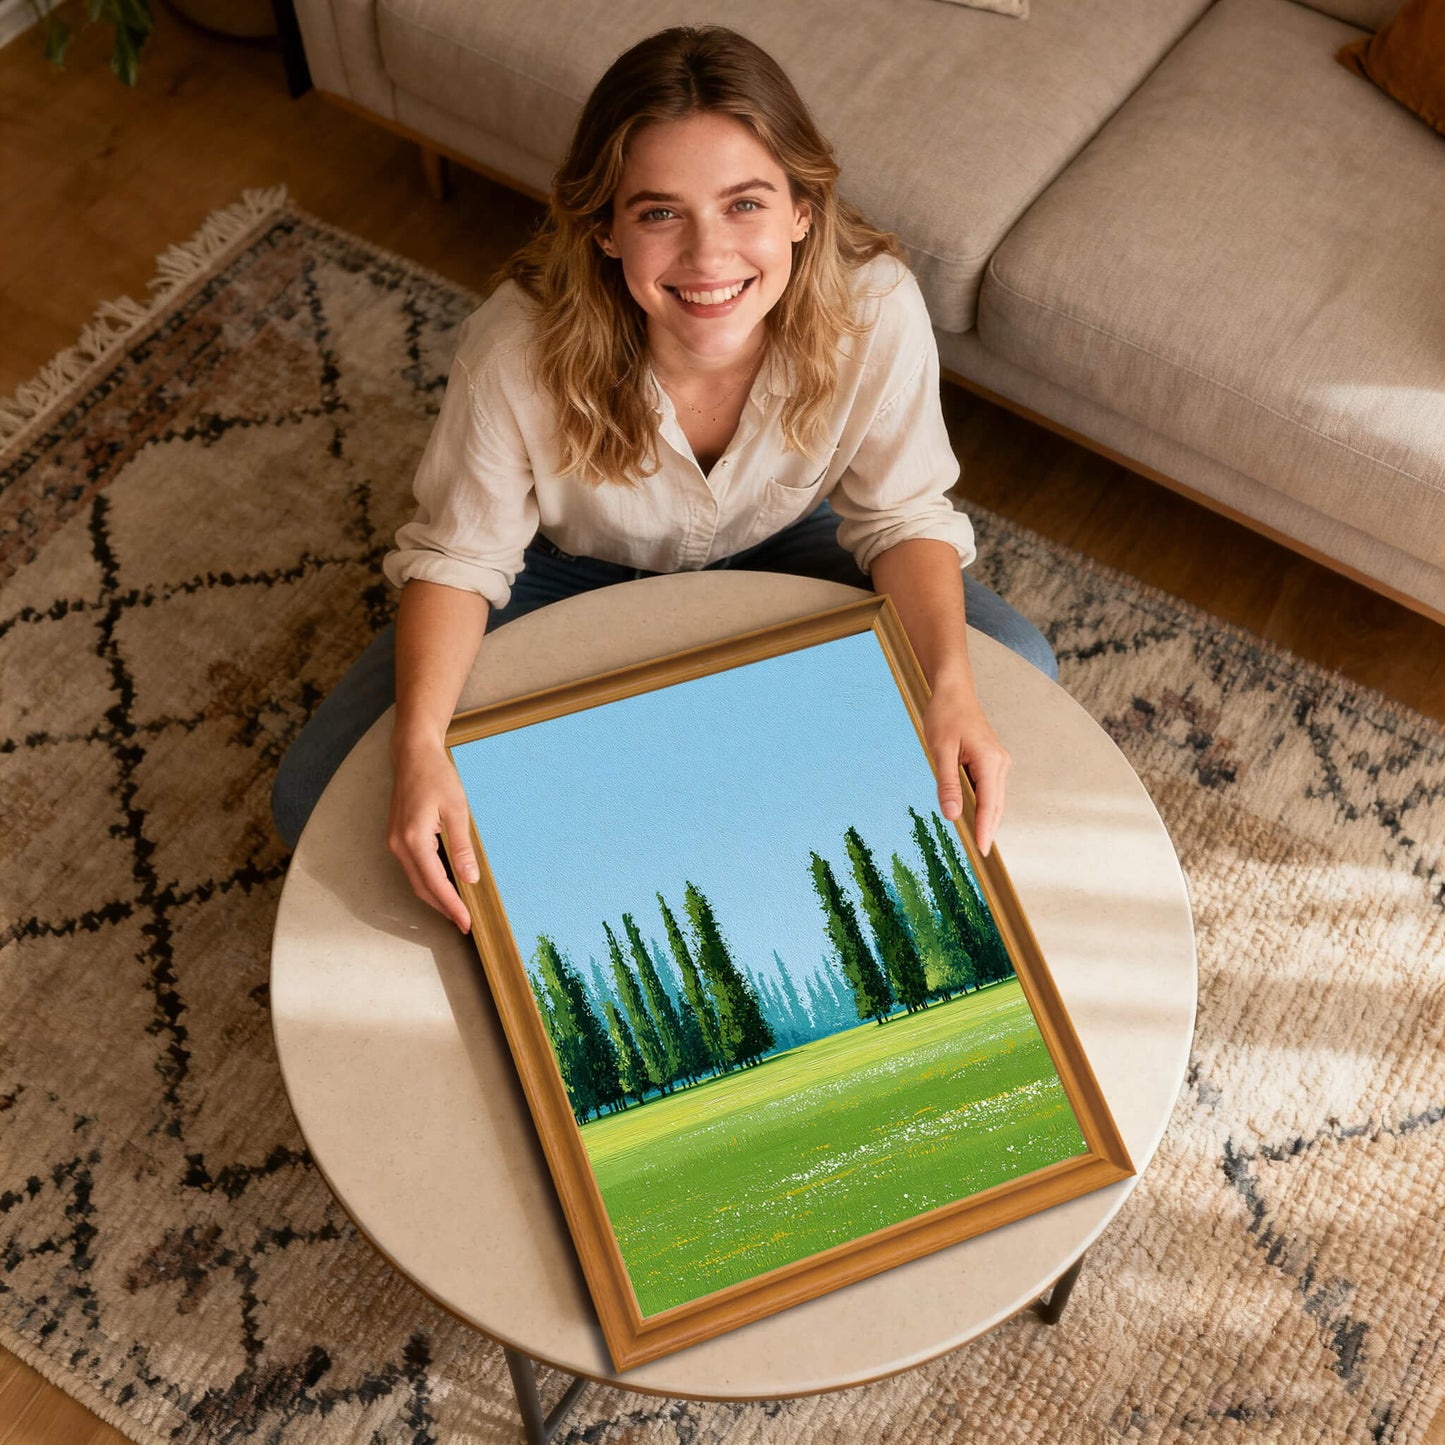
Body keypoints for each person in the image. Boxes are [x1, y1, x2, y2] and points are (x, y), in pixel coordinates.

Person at [271, 25, 1057, 931]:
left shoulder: (875, 308)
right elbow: (458, 560)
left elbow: (899, 514)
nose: (707, 257)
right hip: (559, 570)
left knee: (1013, 666)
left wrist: (949, 681)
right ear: (604, 228)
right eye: (658, 213)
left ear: (803, 208)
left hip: (784, 545)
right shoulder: (513, 353)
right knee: (315, 796)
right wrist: (419, 749)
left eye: (744, 204)